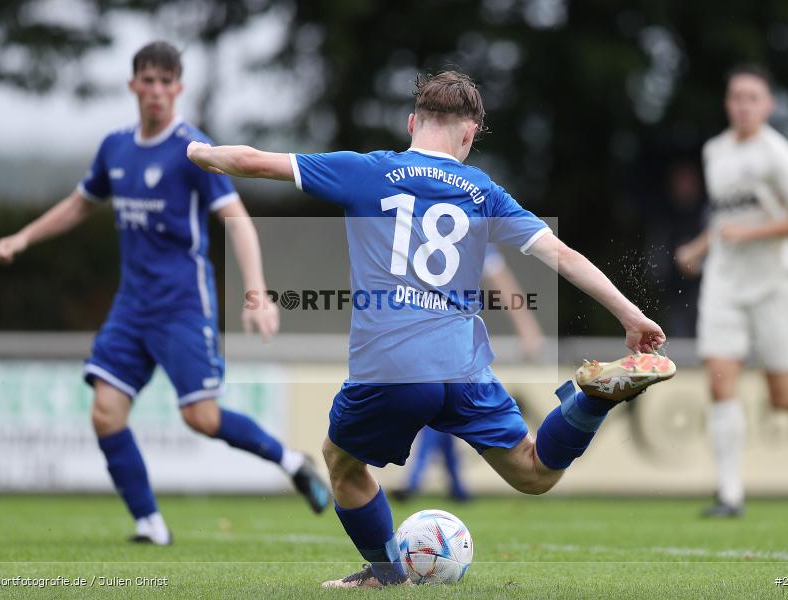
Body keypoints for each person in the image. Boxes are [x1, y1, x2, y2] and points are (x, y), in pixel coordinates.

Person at [187, 70, 674, 588]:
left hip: (391, 366)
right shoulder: (484, 191)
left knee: (341, 463)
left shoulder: (367, 170)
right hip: (461, 365)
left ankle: (386, 576)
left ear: (413, 122)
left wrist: (200, 153)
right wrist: (630, 314)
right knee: (535, 473)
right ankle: (594, 400)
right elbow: (562, 255)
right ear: (469, 134)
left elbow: (250, 161)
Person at [0, 41, 330, 544]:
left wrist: (256, 292)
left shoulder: (192, 149)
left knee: (201, 417)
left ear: (179, 88)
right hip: (131, 308)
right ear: (133, 85)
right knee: (105, 412)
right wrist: (25, 235)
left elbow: (236, 221)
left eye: (165, 82)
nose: (155, 91)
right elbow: (79, 204)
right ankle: (150, 525)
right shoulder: (115, 147)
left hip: (182, 305)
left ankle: (290, 461)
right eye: (146, 81)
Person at [676, 64, 788, 518]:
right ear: (728, 103)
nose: (743, 105)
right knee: (720, 379)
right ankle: (730, 496)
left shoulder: (778, 155)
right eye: (736, 97)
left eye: (753, 97)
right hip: (725, 284)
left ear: (767, 105)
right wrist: (699, 247)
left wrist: (754, 234)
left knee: (782, 397)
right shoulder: (716, 151)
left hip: (774, 285)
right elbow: (724, 219)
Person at [393, 244, 544, 503]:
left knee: (436, 407)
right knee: (439, 410)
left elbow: (501, 281)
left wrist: (527, 329)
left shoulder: (463, 232)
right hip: (429, 339)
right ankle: (456, 486)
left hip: (449, 341)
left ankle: (416, 481)